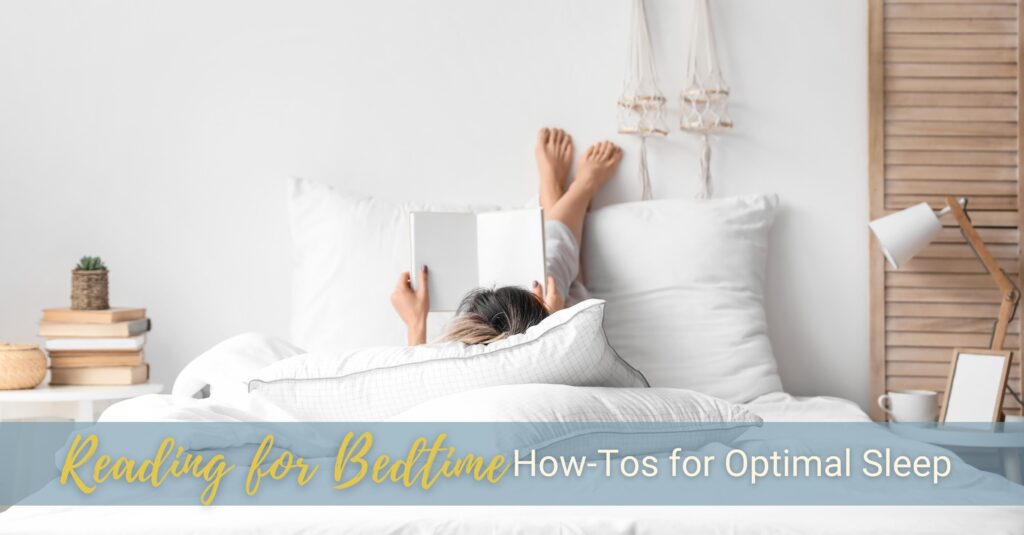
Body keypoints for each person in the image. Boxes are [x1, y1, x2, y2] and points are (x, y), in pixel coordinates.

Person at [391, 128, 622, 345]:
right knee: (551, 278)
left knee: (558, 290)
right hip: (539, 337)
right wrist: (549, 322)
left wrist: (416, 325)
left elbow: (422, 382)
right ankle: (580, 190)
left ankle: (557, 198)